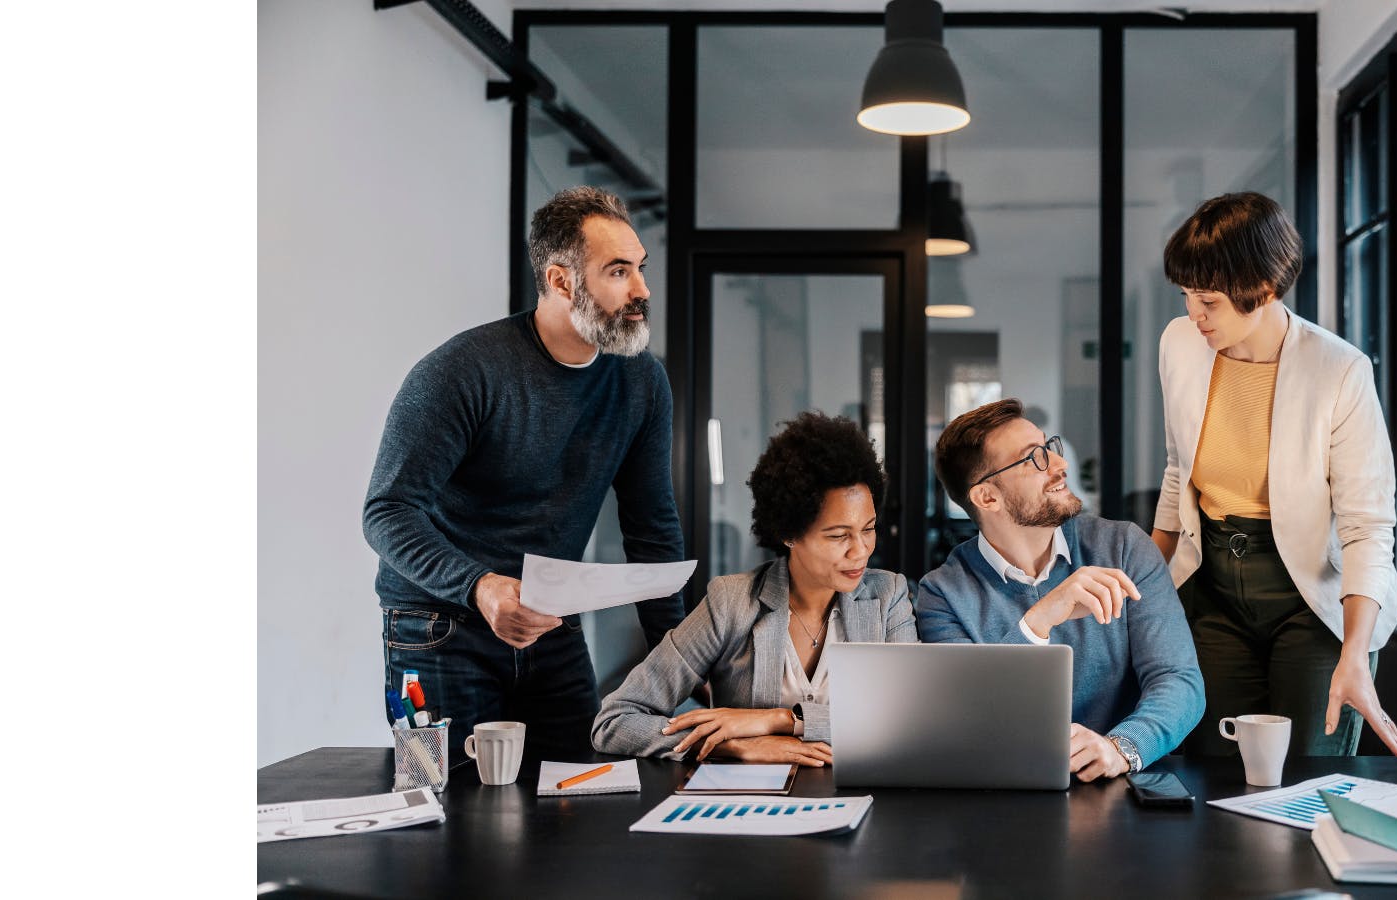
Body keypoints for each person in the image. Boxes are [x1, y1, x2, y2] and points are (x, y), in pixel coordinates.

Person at [363, 186, 683, 765]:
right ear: (562, 281)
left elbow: (652, 529)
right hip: (438, 625)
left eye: (639, 268)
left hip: (549, 623)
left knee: (575, 797)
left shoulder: (641, 384)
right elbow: (387, 512)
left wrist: (681, 659)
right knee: (447, 818)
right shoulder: (461, 372)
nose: (642, 290)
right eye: (618, 272)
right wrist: (481, 586)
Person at [1151, 191, 1397, 761]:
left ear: (1264, 291)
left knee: (1305, 774)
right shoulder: (1180, 345)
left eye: (1210, 302)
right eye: (1187, 297)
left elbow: (1368, 529)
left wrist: (1354, 654)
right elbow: (1179, 473)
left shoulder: (1339, 371)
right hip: (1215, 587)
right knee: (1219, 772)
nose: (1193, 315)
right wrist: (1150, 583)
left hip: (1312, 599)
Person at [592, 412, 915, 766]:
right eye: (838, 535)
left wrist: (781, 721)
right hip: (751, 803)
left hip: (856, 798)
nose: (861, 550)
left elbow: (907, 722)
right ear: (789, 534)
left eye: (868, 529)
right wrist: (727, 745)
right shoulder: (731, 602)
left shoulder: (887, 596)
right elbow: (615, 722)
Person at [917, 399, 1202, 781]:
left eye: (1049, 448)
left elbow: (1179, 681)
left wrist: (1119, 749)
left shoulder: (1124, 548)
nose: (1059, 465)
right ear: (987, 497)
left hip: (1122, 787)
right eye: (1033, 459)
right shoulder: (942, 595)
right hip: (1002, 793)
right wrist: (1039, 621)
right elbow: (967, 718)